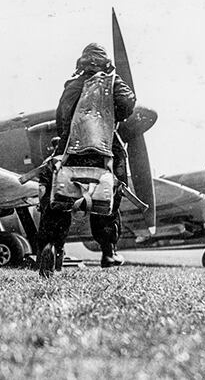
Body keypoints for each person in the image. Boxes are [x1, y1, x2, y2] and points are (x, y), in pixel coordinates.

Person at [36, 43, 135, 274]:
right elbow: (127, 105)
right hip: (105, 149)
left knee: (56, 196)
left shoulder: (72, 84)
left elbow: (62, 117)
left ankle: (52, 248)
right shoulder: (112, 82)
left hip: (70, 147)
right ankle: (109, 251)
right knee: (111, 194)